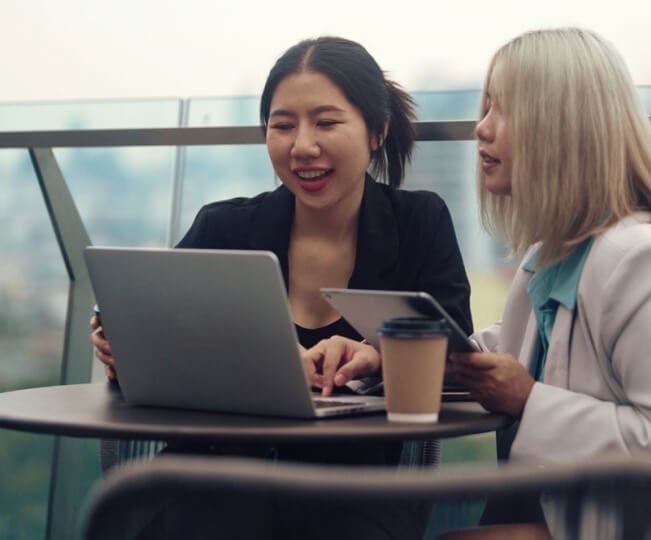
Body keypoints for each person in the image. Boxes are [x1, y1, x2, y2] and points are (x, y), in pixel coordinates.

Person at [333, 27, 651, 540]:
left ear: (560, 128)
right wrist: (385, 355)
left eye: (501, 111)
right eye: (484, 109)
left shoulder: (645, 260)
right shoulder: (554, 256)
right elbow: (515, 353)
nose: (480, 130)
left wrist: (529, 401)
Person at [90, 35, 472, 540]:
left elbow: (461, 359)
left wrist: (375, 354)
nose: (302, 147)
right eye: (282, 125)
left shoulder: (419, 223)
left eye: (327, 122)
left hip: (348, 498)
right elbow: (148, 330)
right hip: (208, 483)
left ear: (376, 131)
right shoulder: (222, 228)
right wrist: (118, 340)